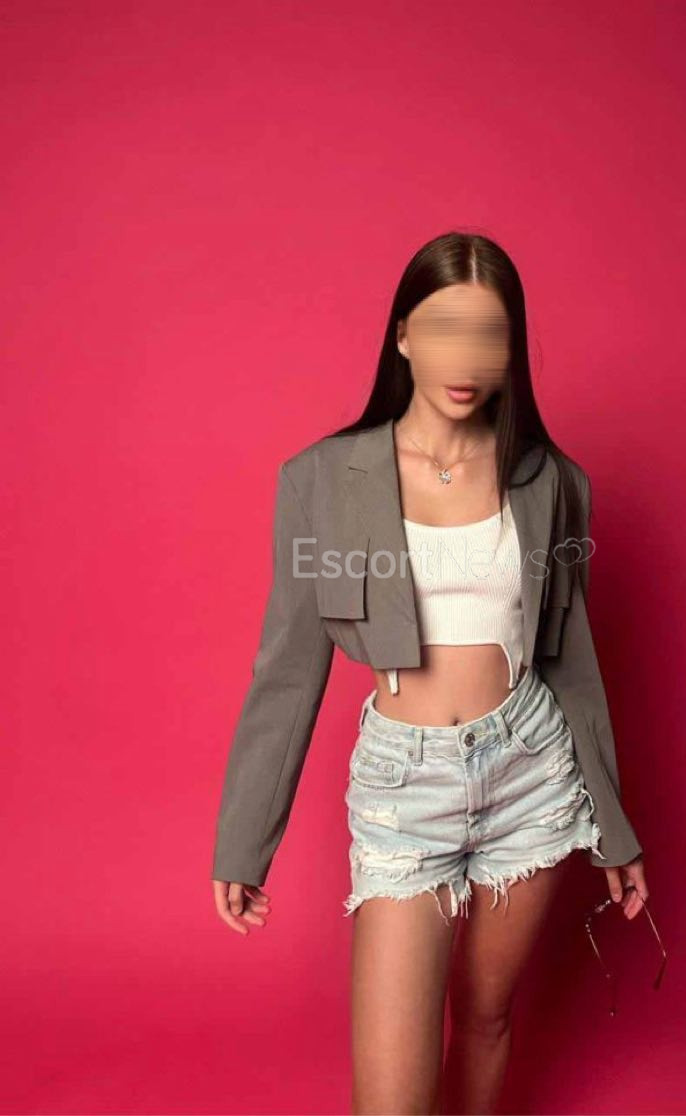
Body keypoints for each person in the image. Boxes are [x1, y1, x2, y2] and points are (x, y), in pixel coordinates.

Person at [210, 230, 649, 1115]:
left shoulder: (552, 484)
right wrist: (244, 838)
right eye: (446, 329)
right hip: (405, 788)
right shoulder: (323, 480)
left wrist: (614, 825)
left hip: (531, 772)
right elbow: (289, 669)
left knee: (486, 1019)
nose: (467, 359)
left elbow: (570, 656)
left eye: (490, 334)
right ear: (403, 334)